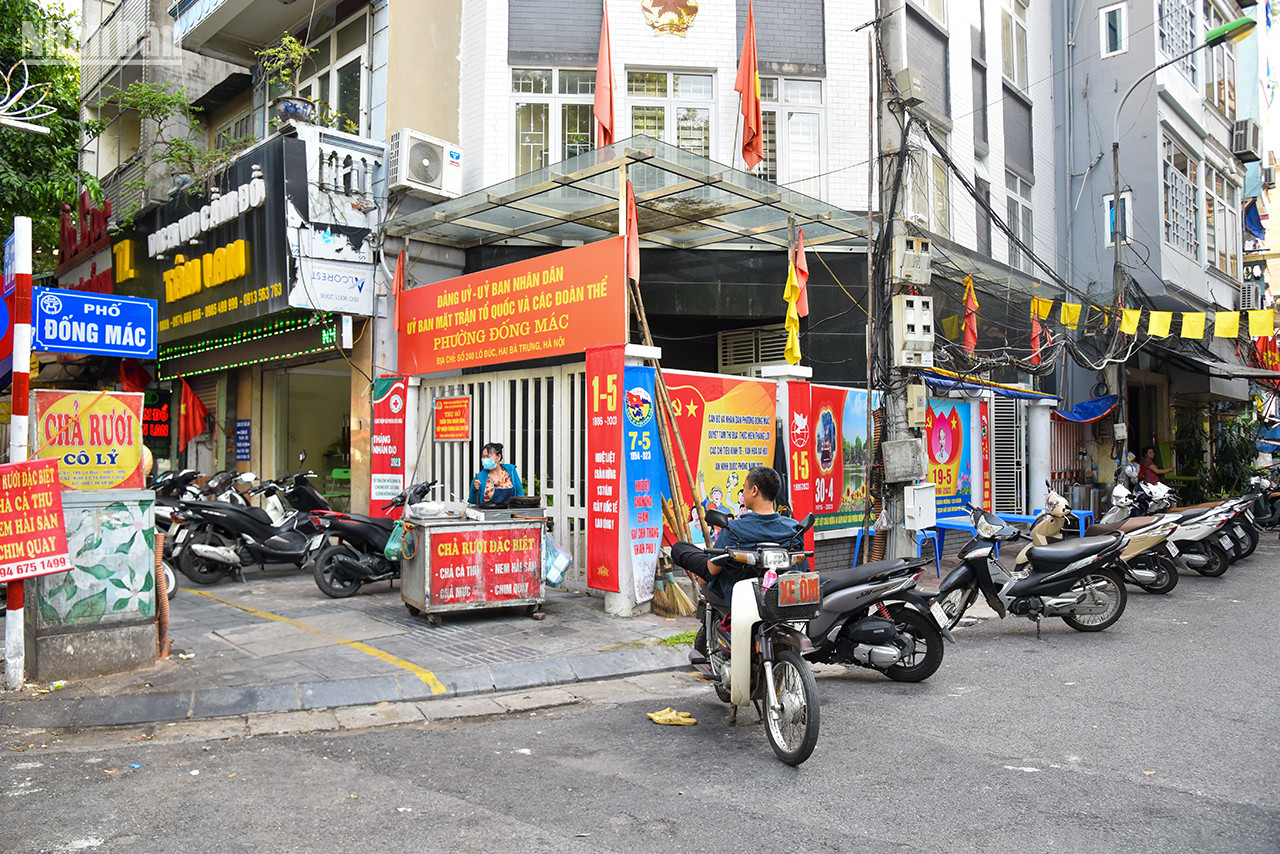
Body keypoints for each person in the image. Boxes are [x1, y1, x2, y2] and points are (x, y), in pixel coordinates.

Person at [671, 465, 804, 605]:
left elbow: (712, 569)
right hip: (781, 591)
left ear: (754, 490)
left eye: (745, 488)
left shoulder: (734, 529)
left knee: (680, 548)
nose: (744, 493)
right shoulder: (793, 528)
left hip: (735, 592)